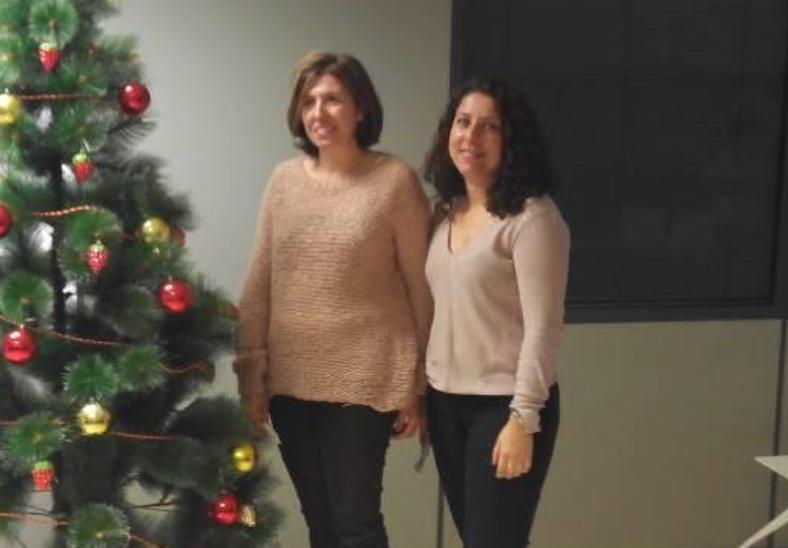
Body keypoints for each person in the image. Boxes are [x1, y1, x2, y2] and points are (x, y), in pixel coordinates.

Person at [233, 51, 433, 548]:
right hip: (291, 384)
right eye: (309, 101)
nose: (319, 113)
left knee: (356, 525)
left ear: (361, 108)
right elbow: (259, 285)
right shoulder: (283, 182)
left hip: (364, 384)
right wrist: (250, 377)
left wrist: (420, 384)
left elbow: (423, 289)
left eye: (333, 100)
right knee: (321, 524)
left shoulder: (394, 182)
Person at [421, 78, 569, 548]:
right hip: (445, 404)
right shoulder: (446, 211)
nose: (471, 136)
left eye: (490, 127)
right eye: (463, 122)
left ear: (511, 141)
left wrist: (523, 417)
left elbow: (543, 328)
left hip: (504, 407)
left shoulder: (533, 219)